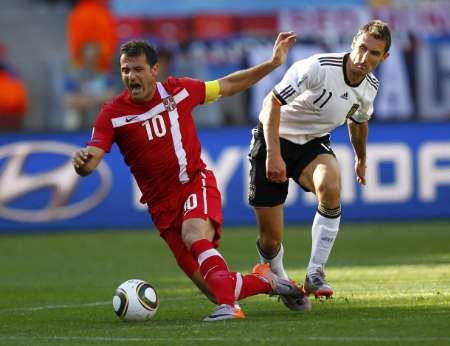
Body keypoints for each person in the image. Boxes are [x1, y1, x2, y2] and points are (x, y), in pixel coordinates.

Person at [72, 33, 310, 321]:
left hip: (195, 182)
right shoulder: (112, 114)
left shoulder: (179, 91)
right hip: (162, 208)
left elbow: (229, 85)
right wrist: (82, 163)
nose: (130, 76)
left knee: (193, 234)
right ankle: (269, 281)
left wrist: (272, 63)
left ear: (154, 70)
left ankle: (229, 309)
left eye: (137, 69)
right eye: (125, 70)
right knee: (215, 287)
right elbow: (92, 158)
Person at [248, 20, 391, 303]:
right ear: (353, 43)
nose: (365, 58)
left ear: (384, 57)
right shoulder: (318, 67)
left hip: (312, 143)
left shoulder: (370, 87)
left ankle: (315, 272)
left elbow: (358, 122)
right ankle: (281, 280)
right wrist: (274, 154)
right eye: (362, 48)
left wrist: (361, 159)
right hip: (273, 137)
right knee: (270, 238)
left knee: (331, 184)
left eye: (374, 53)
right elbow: (270, 104)